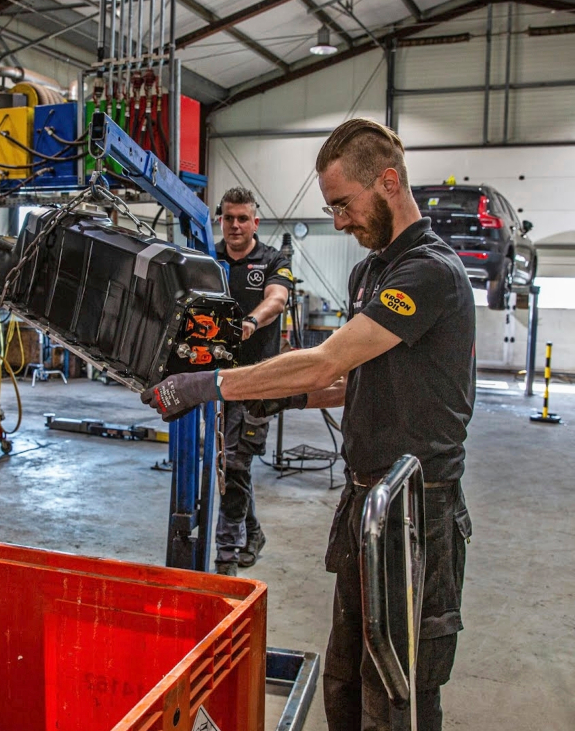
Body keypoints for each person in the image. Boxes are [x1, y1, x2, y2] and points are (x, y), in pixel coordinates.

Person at [140, 118, 475, 731]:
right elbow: (351, 381)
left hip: (416, 509)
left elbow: (326, 359)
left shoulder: (429, 272)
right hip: (365, 501)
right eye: (331, 207)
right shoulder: (371, 272)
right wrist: (286, 398)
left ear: (390, 182)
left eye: (344, 205)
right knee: (346, 680)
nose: (339, 221)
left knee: (399, 691)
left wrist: (210, 384)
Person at [212, 187, 293, 577]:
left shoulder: (274, 260)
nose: (236, 226)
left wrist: (251, 321)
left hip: (260, 382)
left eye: (243, 218)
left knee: (235, 462)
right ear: (221, 220)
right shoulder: (208, 258)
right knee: (232, 465)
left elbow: (276, 300)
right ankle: (253, 533)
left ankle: (225, 556)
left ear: (255, 222)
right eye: (229, 218)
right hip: (218, 381)